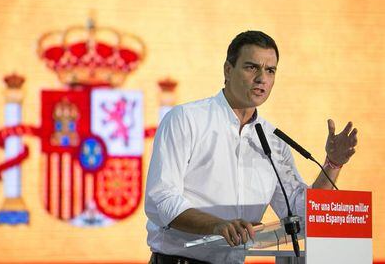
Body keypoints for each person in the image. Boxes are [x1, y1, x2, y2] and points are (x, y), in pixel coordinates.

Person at [145, 31, 358, 264]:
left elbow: (299, 212)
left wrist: (333, 164)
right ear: (228, 70)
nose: (262, 78)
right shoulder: (186, 120)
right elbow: (161, 200)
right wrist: (217, 226)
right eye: (251, 67)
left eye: (270, 70)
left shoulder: (274, 140)